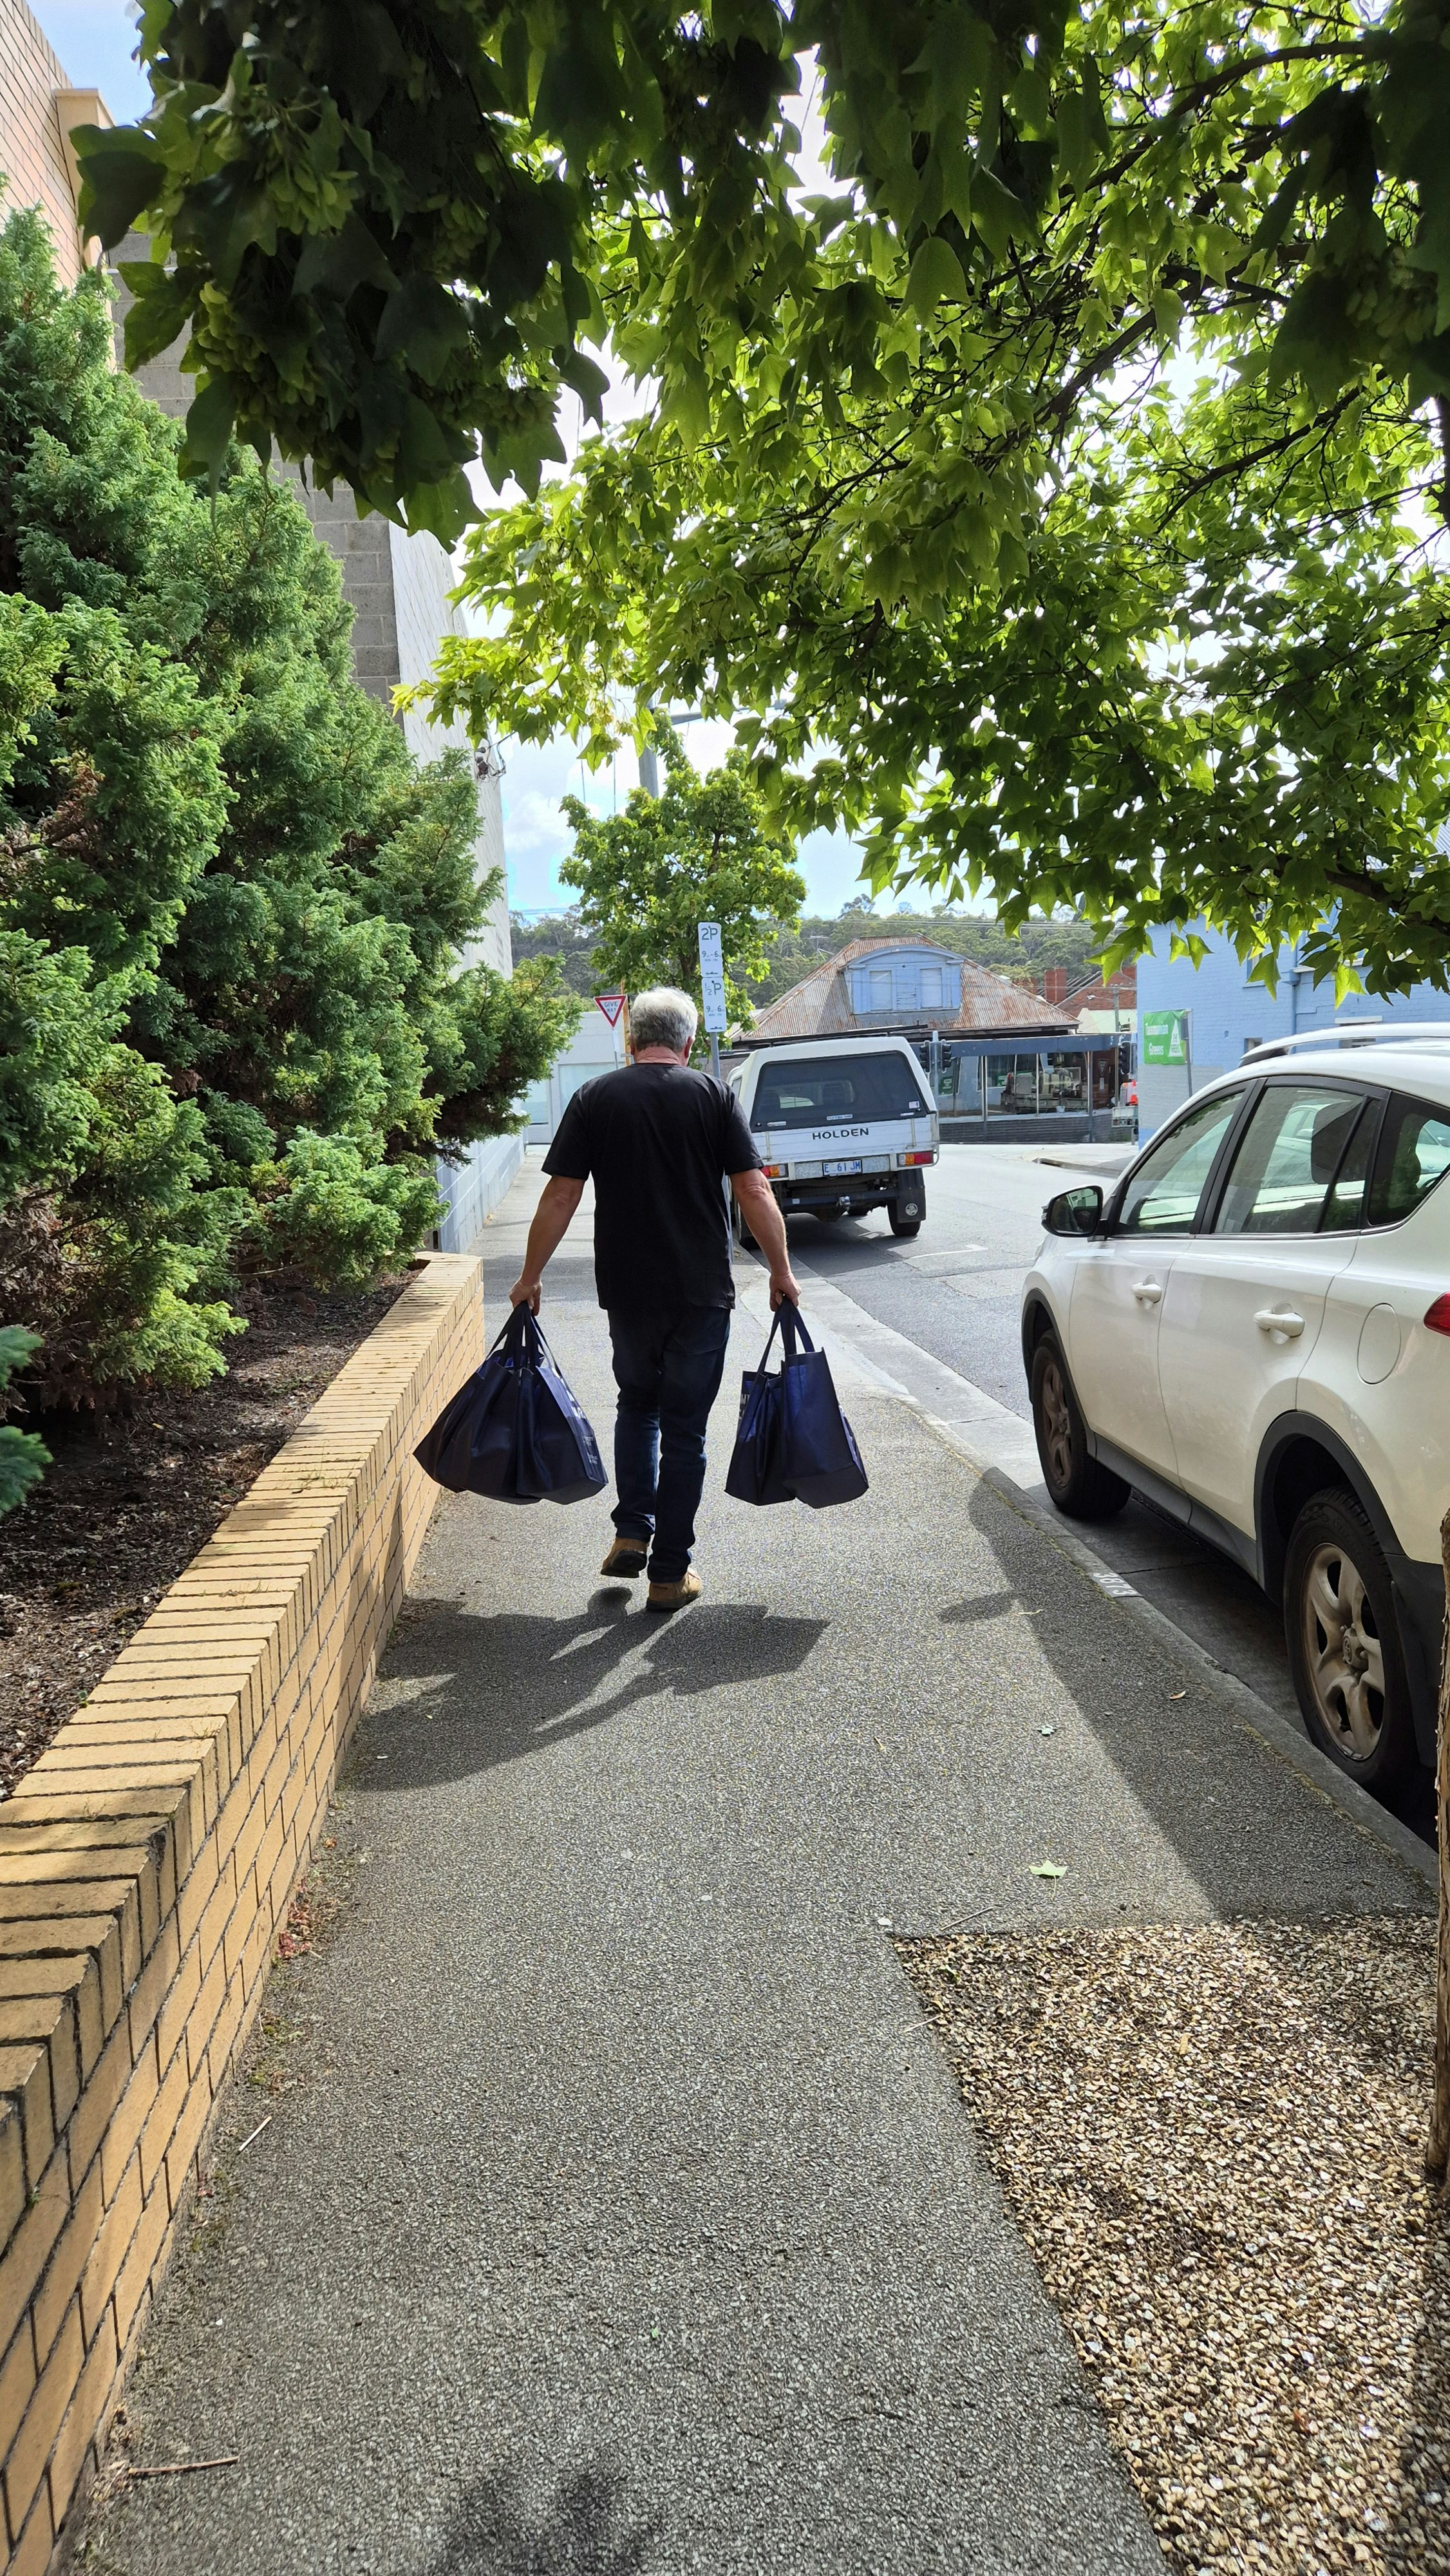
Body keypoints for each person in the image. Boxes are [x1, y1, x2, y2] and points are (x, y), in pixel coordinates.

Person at [509, 987, 799, 1611]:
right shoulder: (712, 1095)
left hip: (627, 1288)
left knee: (636, 1406)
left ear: (630, 1041)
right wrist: (780, 1270)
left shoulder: (595, 1097)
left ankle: (630, 1529)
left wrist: (530, 1275)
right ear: (687, 1044)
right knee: (685, 1432)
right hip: (699, 1290)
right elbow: (752, 1188)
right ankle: (668, 1574)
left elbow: (560, 1195)